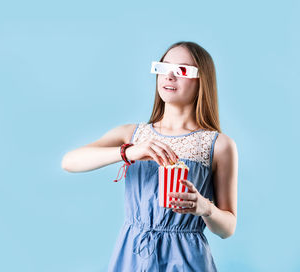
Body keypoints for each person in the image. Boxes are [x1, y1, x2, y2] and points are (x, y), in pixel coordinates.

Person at [61, 41, 238, 272]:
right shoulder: (132, 134)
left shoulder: (219, 145)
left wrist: (206, 208)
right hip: (132, 253)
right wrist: (129, 151)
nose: (169, 76)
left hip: (186, 258)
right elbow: (69, 162)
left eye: (182, 70)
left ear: (202, 80)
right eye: (163, 68)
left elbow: (228, 228)